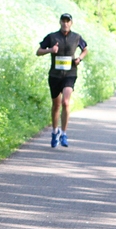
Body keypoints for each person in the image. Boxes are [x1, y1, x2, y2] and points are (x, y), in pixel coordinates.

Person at [36, 13, 88, 148]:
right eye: (63, 21)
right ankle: (55, 132)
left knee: (65, 102)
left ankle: (64, 133)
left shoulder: (76, 37)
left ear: (71, 23)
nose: (65, 23)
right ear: (60, 22)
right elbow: (38, 51)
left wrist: (79, 59)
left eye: (67, 21)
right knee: (56, 105)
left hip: (70, 74)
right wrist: (50, 50)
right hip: (55, 75)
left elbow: (85, 49)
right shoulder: (52, 37)